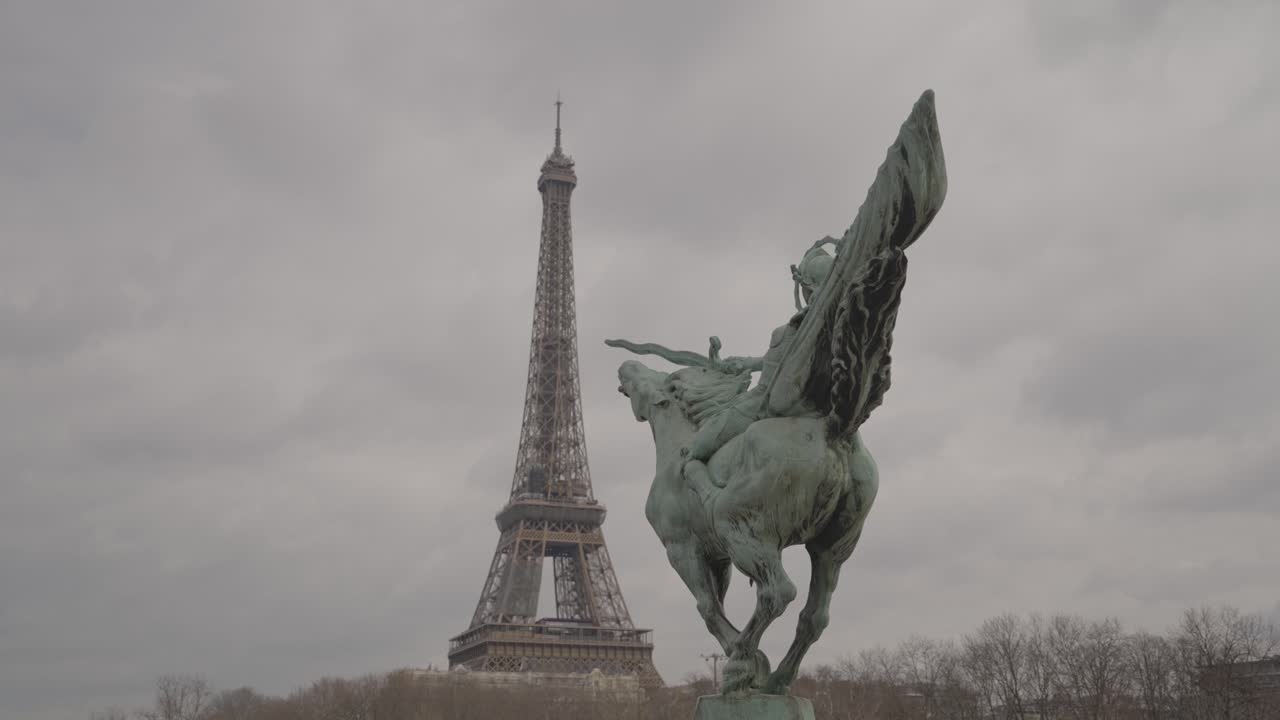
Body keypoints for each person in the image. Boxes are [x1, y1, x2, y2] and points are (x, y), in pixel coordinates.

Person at [682, 238, 838, 487]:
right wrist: (744, 363)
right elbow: (775, 362)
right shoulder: (837, 331)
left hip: (763, 404)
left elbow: (770, 380)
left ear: (807, 287)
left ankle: (709, 499)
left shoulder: (785, 334)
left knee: (694, 452)